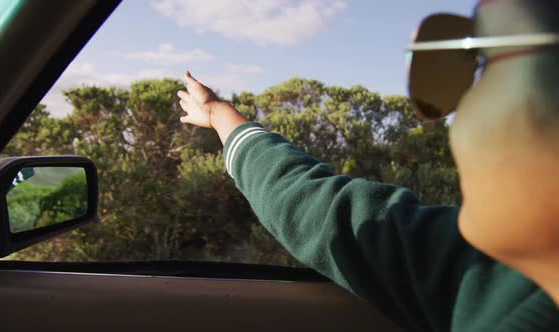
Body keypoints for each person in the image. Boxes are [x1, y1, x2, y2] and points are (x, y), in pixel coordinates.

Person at [177, 0, 559, 331]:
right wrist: (220, 116)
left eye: (486, 62)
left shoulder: (485, 282)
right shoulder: (490, 277)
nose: (457, 112)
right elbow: (325, 214)